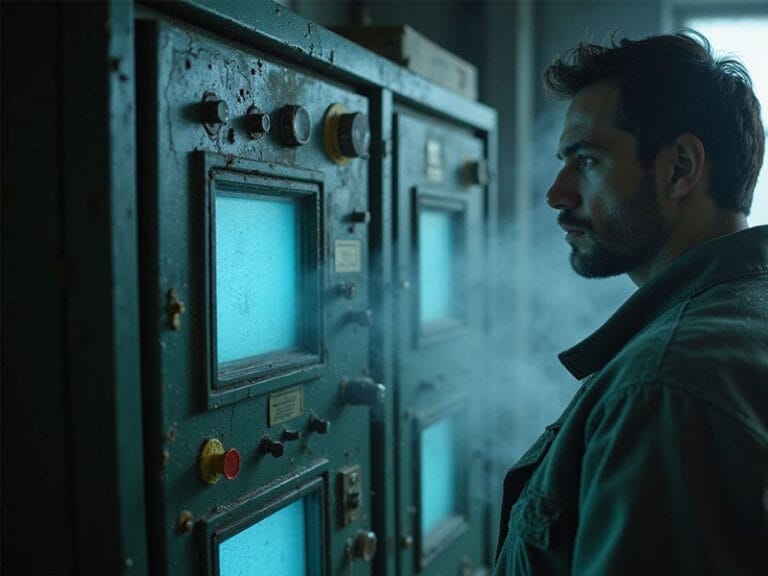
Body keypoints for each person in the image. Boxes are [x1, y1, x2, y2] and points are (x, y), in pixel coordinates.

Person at [494, 32, 768, 575]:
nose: (557, 194)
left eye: (587, 160)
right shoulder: (745, 310)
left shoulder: (665, 388)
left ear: (680, 169)